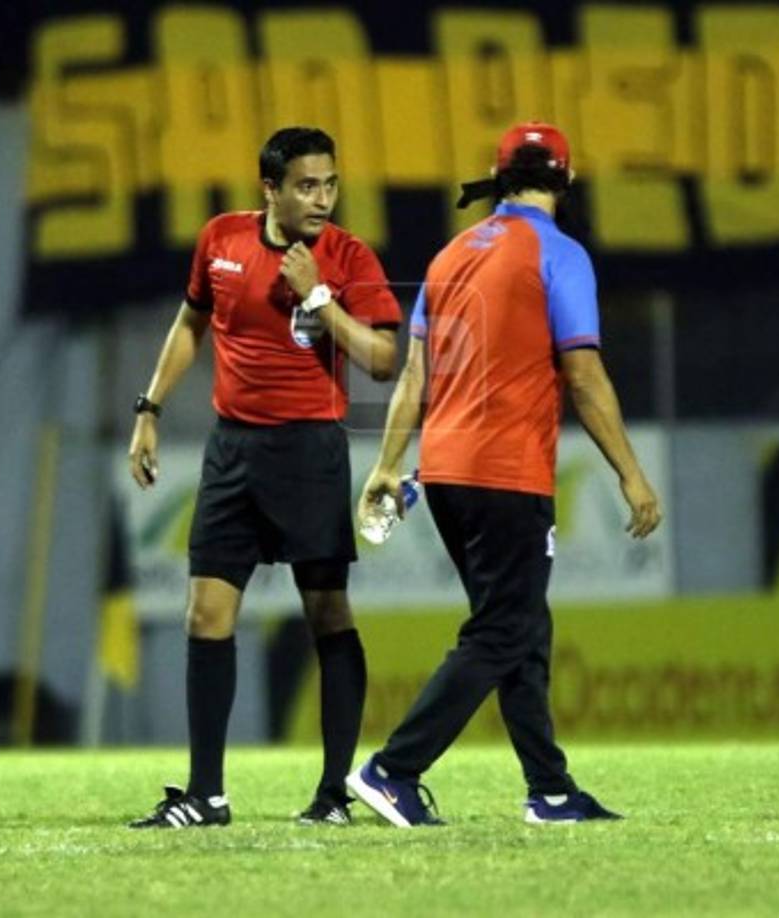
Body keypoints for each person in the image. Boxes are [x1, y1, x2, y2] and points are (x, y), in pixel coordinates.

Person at [347, 122, 661, 826]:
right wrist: (630, 474)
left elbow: (416, 375)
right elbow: (581, 373)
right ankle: (392, 769)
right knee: (501, 631)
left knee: (518, 625)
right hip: (504, 471)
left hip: (445, 472)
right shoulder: (558, 253)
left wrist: (386, 466)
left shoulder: (451, 252)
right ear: (566, 182)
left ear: (498, 176)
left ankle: (549, 790)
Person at [127, 127, 402, 828]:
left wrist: (318, 301)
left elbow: (379, 359)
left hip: (310, 451)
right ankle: (206, 796)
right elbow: (191, 324)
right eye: (306, 185)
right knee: (205, 615)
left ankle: (335, 793)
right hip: (232, 454)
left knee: (326, 615)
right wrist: (150, 409)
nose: (322, 198)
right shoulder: (220, 240)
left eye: (330, 184)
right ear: (269, 188)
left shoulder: (346, 257)